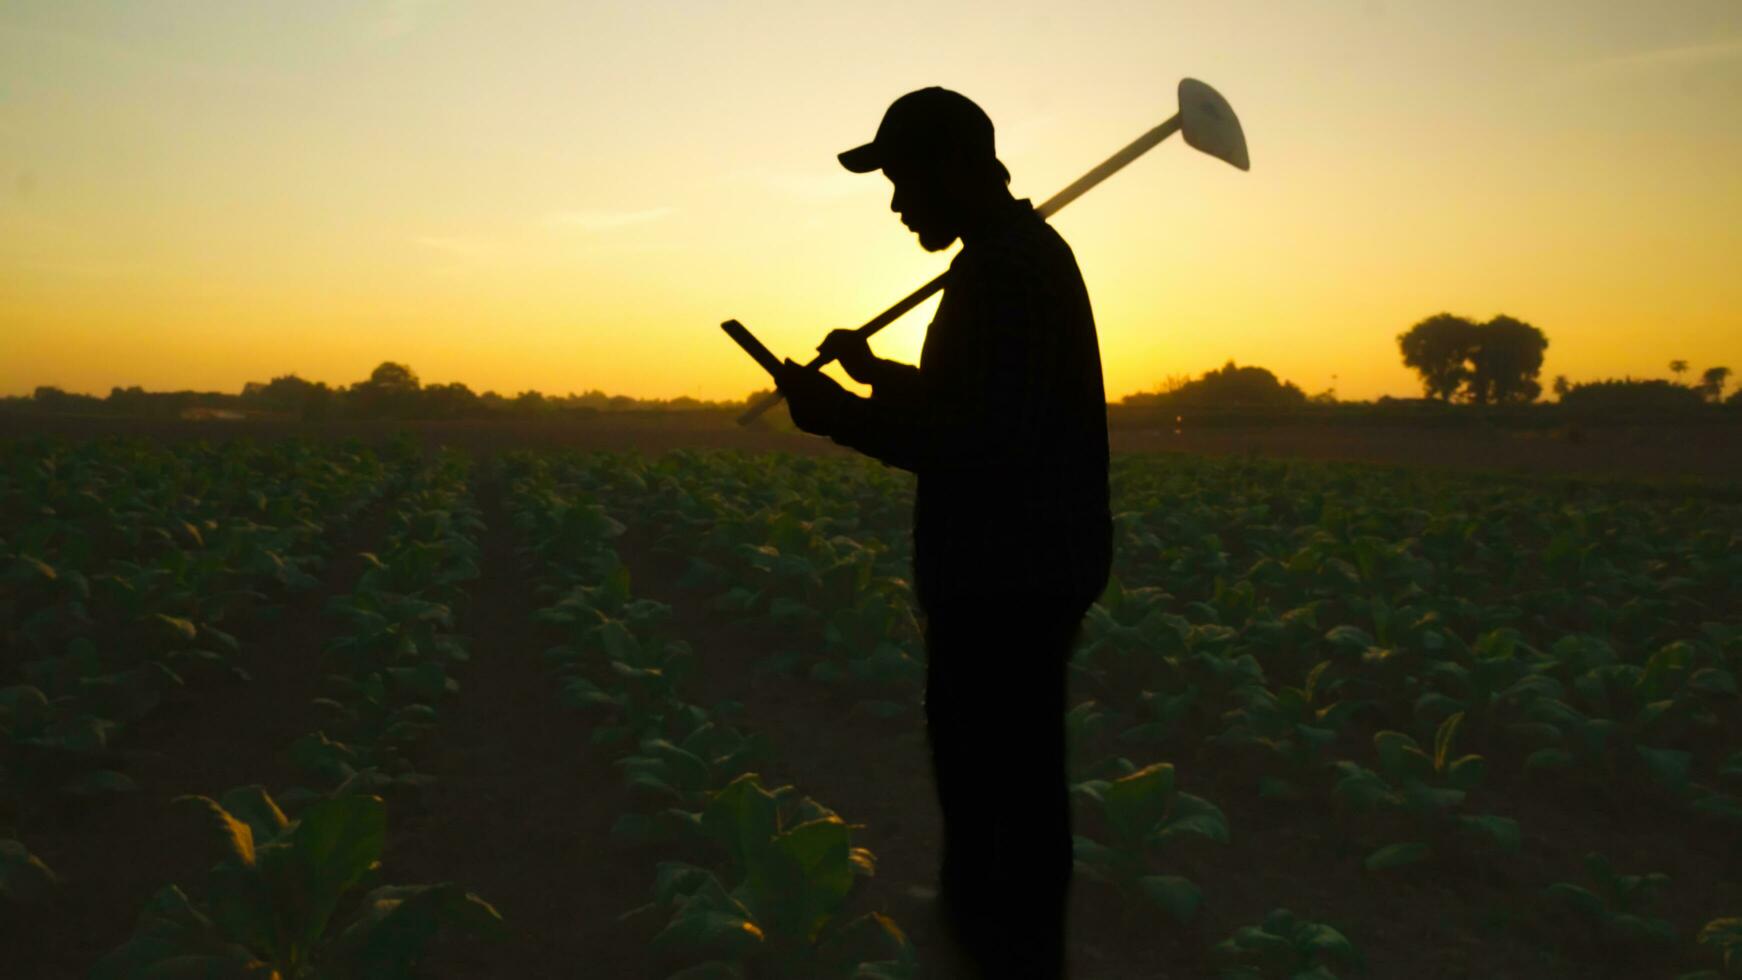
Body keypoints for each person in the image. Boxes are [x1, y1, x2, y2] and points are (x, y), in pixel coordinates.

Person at [773, 86, 1112, 980]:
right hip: (1011, 570)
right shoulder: (1005, 260)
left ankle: (1007, 951)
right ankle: (977, 929)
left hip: (1010, 575)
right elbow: (986, 406)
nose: (895, 204)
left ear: (955, 170)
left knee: (1005, 794)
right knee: (990, 785)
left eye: (902, 180)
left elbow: (982, 443)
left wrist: (838, 415)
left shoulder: (1008, 271)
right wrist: (880, 375)